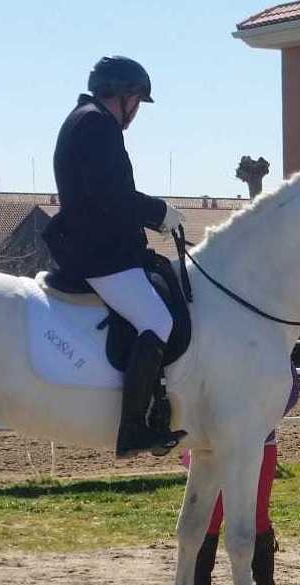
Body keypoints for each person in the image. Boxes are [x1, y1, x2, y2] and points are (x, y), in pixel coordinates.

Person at [42, 55, 186, 458]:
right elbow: (110, 195)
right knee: (158, 319)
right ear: (125, 96)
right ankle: (133, 428)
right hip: (100, 254)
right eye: (138, 101)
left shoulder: (84, 119)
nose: (136, 112)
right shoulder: (96, 124)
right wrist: (159, 212)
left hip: (101, 247)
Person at [187, 363, 300, 585]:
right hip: (211, 445)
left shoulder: (268, 344)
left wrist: (263, 418)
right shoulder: (211, 339)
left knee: (257, 516)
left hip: (260, 442)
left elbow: (291, 386)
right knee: (209, 516)